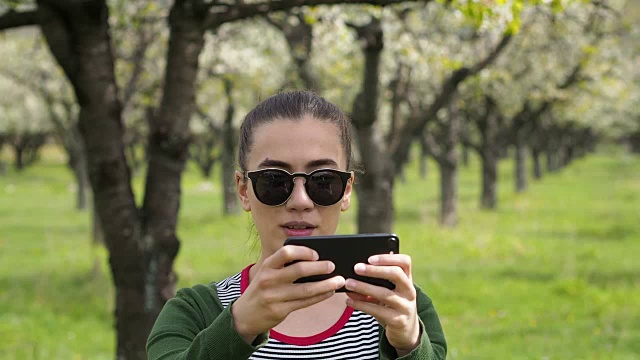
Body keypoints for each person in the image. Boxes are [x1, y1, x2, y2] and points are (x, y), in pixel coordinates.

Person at [147, 91, 447, 359]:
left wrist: (410, 346)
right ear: (243, 190)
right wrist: (240, 326)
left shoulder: (399, 306)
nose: (300, 201)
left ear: (347, 190)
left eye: (324, 181)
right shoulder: (194, 313)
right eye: (274, 181)